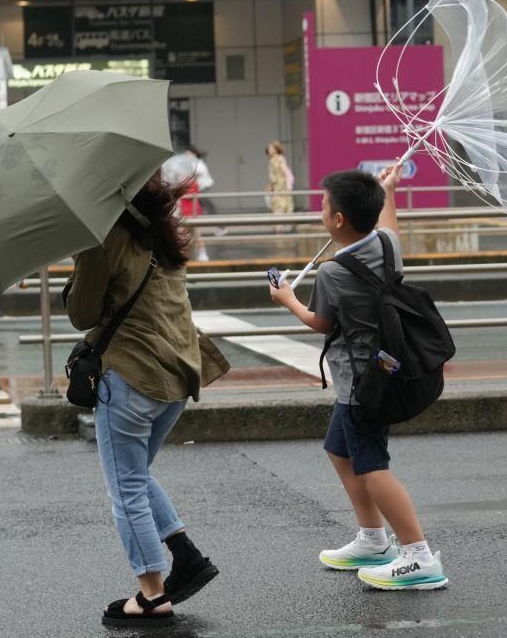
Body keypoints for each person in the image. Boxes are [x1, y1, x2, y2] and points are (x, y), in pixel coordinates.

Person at [268, 164, 449, 591]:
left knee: (372, 468)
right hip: (383, 371)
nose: (320, 210)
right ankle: (373, 539)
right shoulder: (386, 246)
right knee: (339, 450)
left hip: (361, 385)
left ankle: (419, 556)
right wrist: (388, 190)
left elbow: (321, 323)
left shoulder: (333, 272)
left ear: (338, 221)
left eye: (324, 205)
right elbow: (388, 224)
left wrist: (287, 299)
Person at [65, 173, 228, 627]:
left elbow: (82, 313)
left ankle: (153, 596)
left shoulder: (104, 236)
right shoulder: (161, 228)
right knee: (135, 474)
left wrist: (81, 262)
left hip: (133, 376)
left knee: (126, 488)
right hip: (178, 373)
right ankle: (185, 553)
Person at [265, 140, 294, 216]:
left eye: (271, 148)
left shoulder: (280, 159)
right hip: (275, 185)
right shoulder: (272, 160)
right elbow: (272, 176)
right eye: (269, 148)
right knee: (276, 204)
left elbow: (286, 171)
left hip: (281, 186)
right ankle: (278, 225)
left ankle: (279, 225)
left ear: (276, 149)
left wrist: (289, 184)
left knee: (280, 204)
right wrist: (270, 185)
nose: (269, 150)